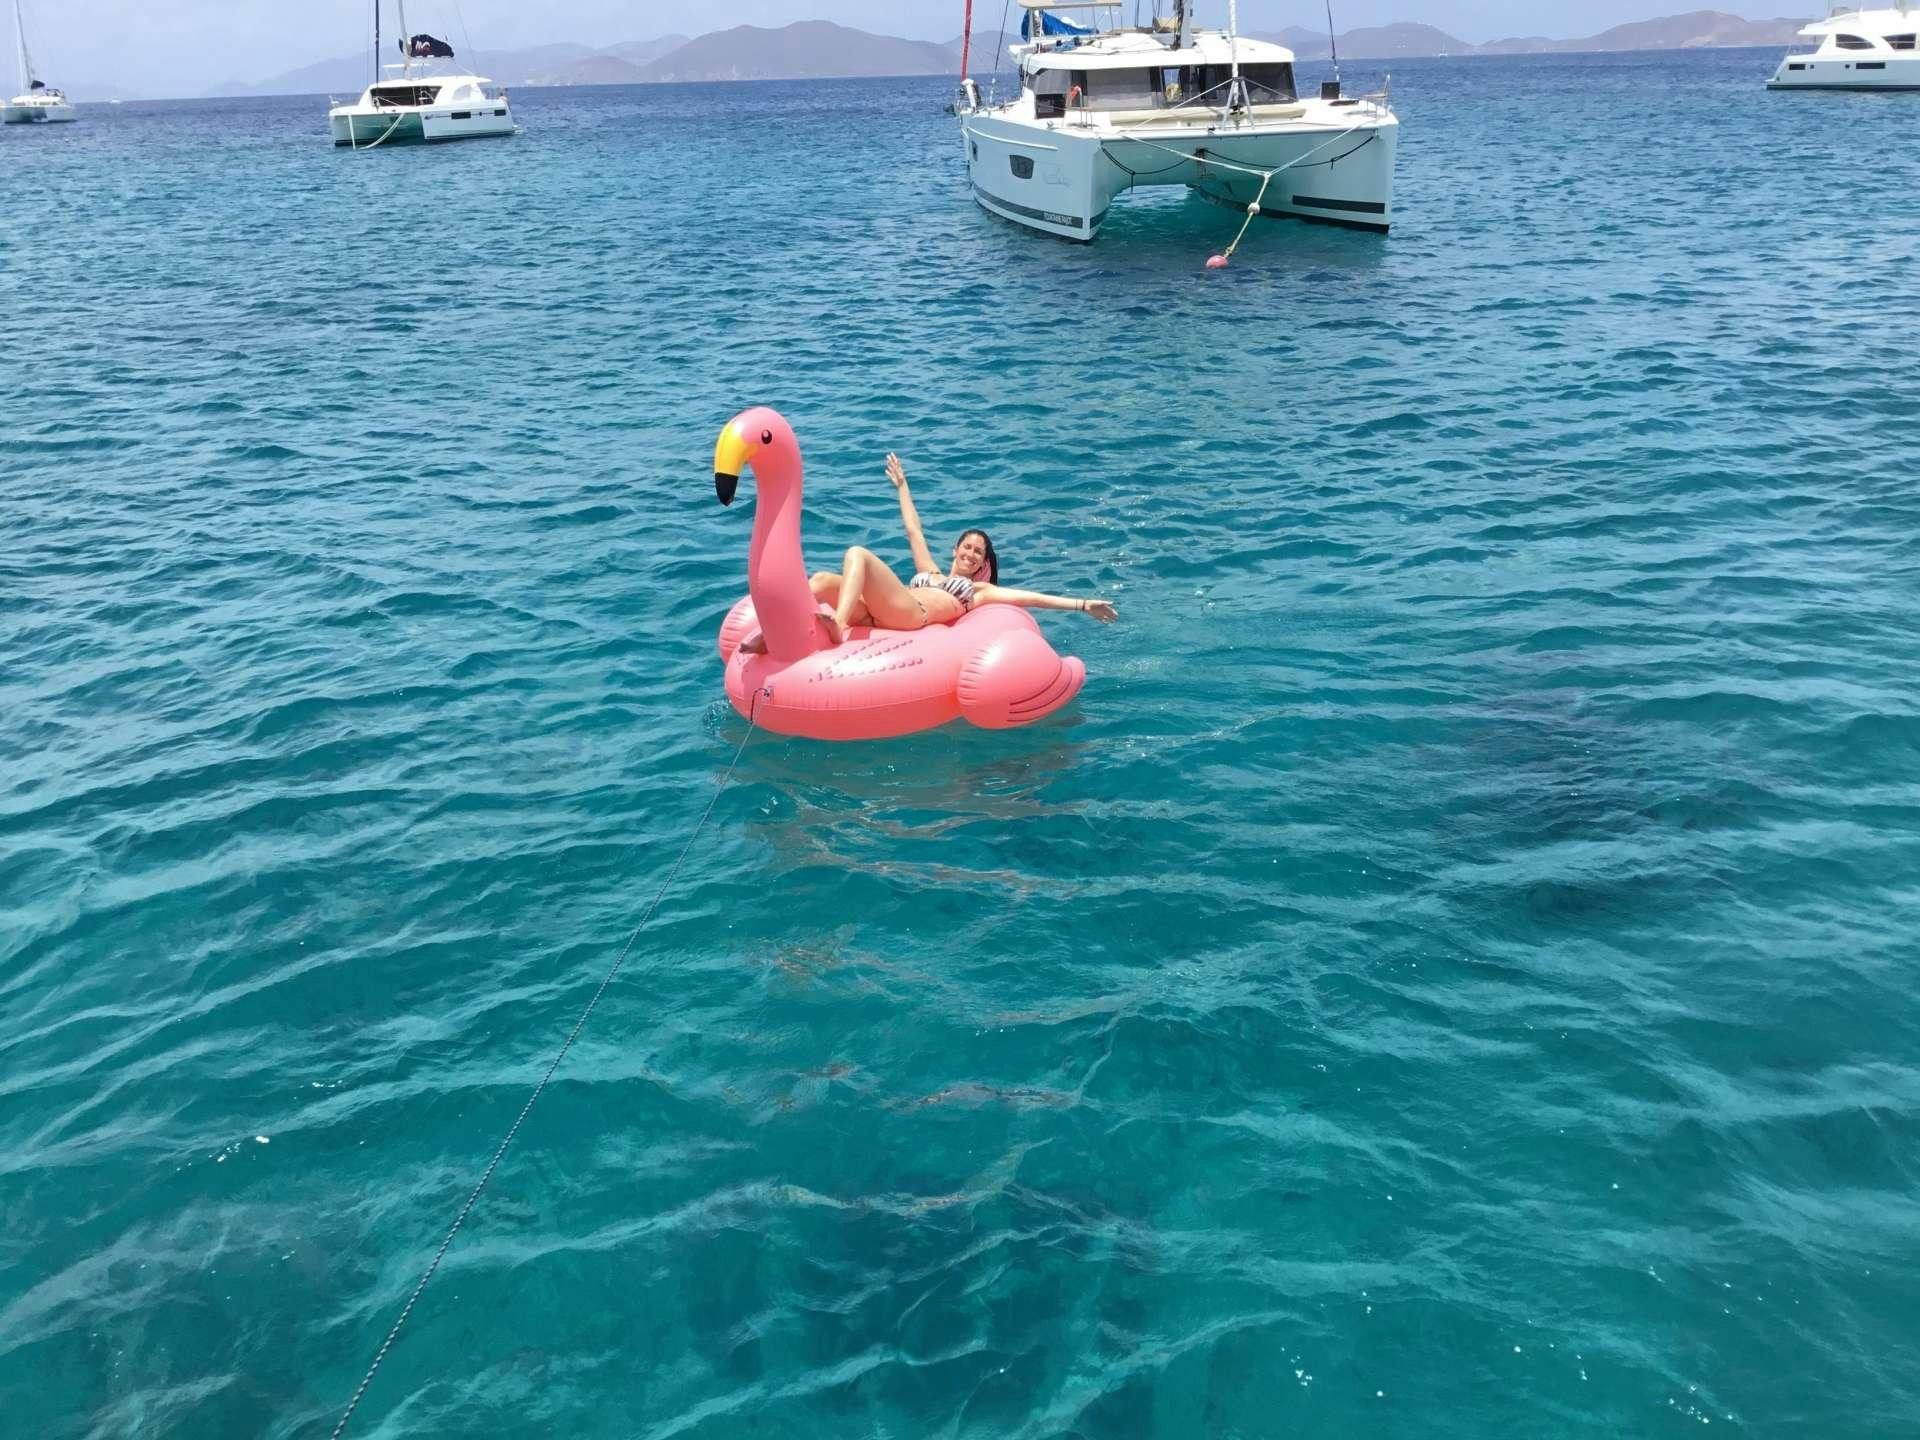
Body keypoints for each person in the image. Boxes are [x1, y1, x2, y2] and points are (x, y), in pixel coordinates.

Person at [807, 453, 1118, 645]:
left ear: (983, 564)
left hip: (913, 615)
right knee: (820, 579)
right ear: (955, 549)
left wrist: (1082, 604)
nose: (970, 553)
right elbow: (913, 530)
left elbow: (1031, 598)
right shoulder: (928, 572)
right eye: (966, 546)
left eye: (978, 552)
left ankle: (840, 624)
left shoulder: (977, 590)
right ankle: (786, 632)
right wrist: (902, 486)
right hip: (880, 612)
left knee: (857, 554)